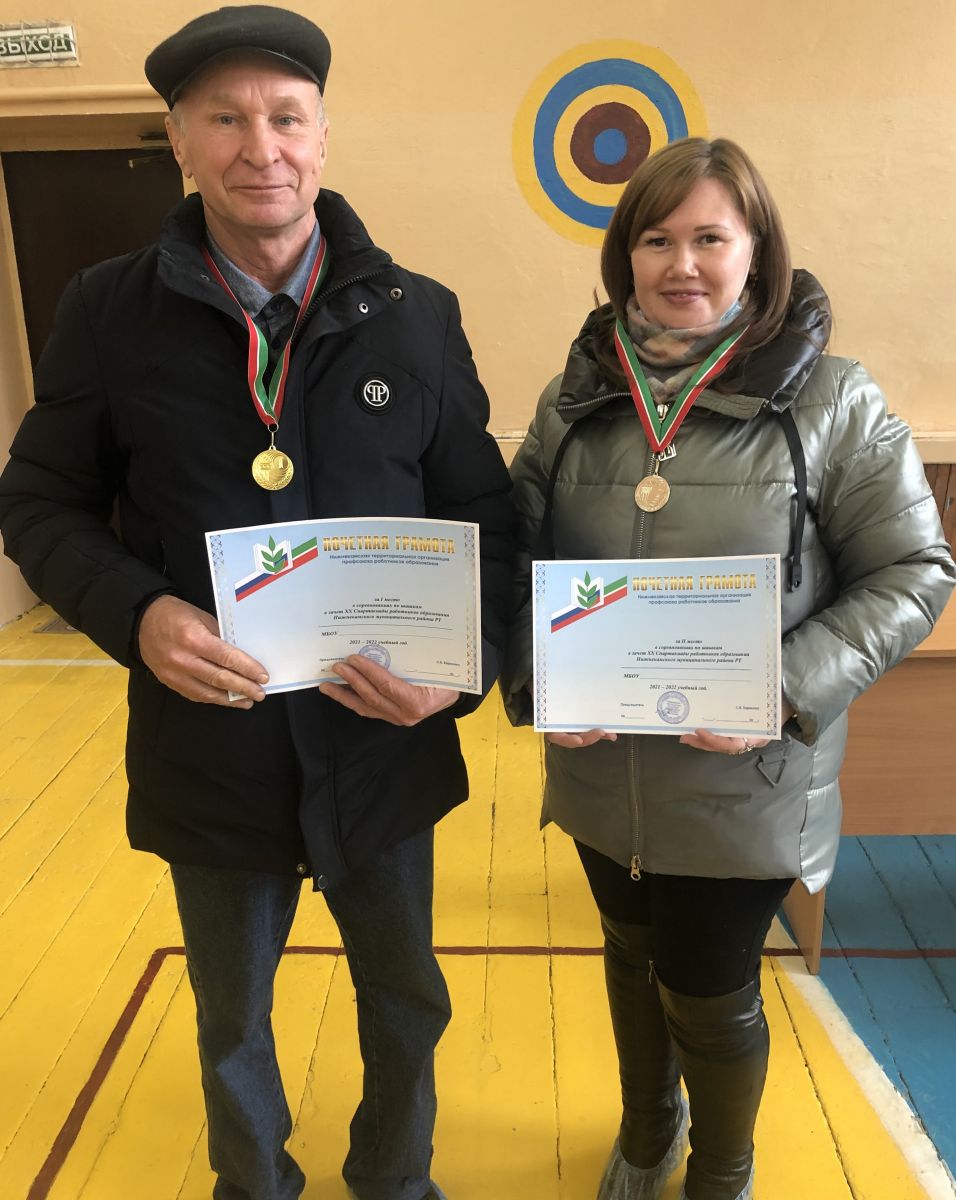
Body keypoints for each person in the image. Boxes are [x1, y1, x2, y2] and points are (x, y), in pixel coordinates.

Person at [0, 8, 514, 1200]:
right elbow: (38, 502)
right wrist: (137, 614)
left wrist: (463, 665)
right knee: (231, 1015)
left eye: (285, 118)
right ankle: (253, 1188)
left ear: (323, 137)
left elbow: (483, 511)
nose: (259, 147)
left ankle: (396, 1181)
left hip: (382, 741)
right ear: (179, 141)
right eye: (224, 119)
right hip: (211, 744)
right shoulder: (107, 310)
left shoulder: (416, 313)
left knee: (406, 998)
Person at [502, 137, 955, 1200]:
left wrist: (780, 689)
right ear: (625, 254)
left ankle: (721, 1169)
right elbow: (509, 561)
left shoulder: (833, 400)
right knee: (627, 957)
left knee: (707, 987)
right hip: (600, 768)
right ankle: (646, 1132)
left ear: (757, 250)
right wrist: (535, 676)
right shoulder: (573, 400)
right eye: (656, 239)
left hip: (748, 774)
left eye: (710, 236)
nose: (682, 264)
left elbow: (914, 570)